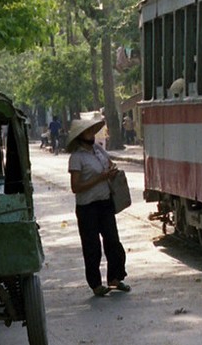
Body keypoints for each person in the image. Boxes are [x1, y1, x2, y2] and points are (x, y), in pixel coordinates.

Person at [66, 115, 130, 297]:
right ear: (80, 136)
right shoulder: (76, 158)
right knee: (92, 246)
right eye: (87, 131)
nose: (91, 134)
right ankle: (95, 284)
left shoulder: (99, 150)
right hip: (87, 207)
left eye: (92, 130)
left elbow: (110, 165)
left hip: (105, 202)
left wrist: (111, 173)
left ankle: (115, 278)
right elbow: (75, 187)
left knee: (113, 241)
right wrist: (99, 178)